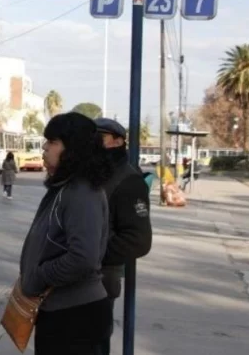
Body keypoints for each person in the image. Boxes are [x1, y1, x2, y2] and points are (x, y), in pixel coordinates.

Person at [19, 112, 114, 354]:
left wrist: (40, 275)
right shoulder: (66, 186)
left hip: (76, 317)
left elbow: (83, 258)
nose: (44, 149)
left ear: (72, 148)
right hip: (60, 313)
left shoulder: (82, 191)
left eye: (52, 142)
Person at [94, 118, 153, 355]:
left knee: (94, 343)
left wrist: (94, 255)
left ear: (118, 141)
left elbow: (138, 240)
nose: (93, 142)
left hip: (101, 277)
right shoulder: (95, 173)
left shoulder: (128, 180)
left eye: (100, 137)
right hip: (80, 276)